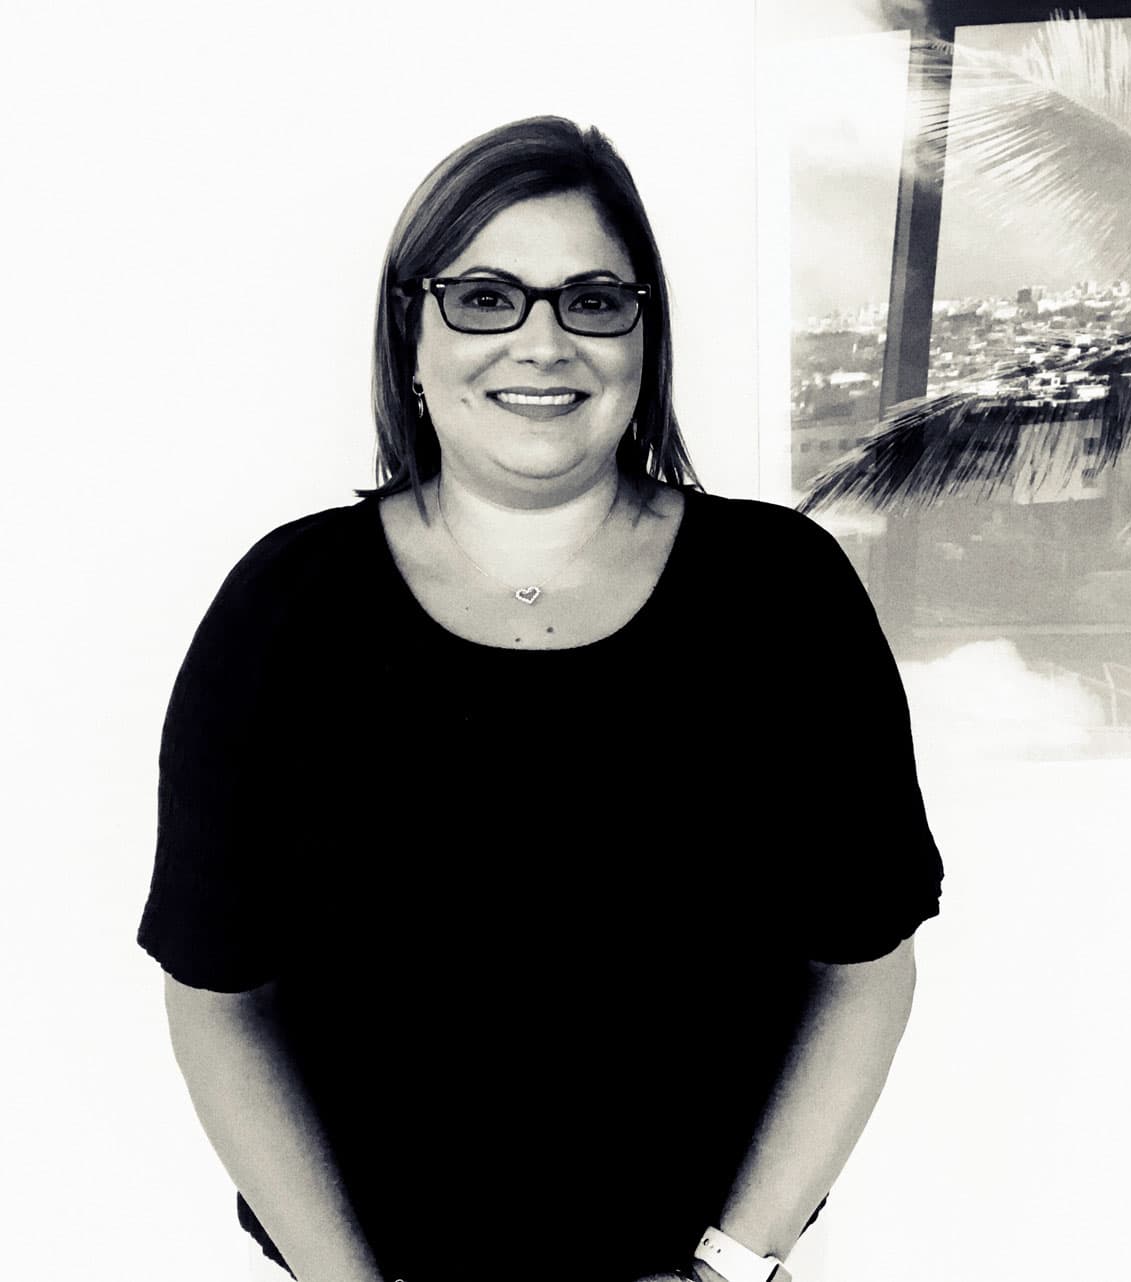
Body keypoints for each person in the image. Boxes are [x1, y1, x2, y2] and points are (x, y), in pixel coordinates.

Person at [137, 115, 943, 1282]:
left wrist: (725, 1268)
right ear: (409, 336)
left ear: (641, 336)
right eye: (483, 297)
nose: (542, 341)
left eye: (592, 300)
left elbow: (864, 966)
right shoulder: (283, 610)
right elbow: (215, 994)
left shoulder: (780, 593)